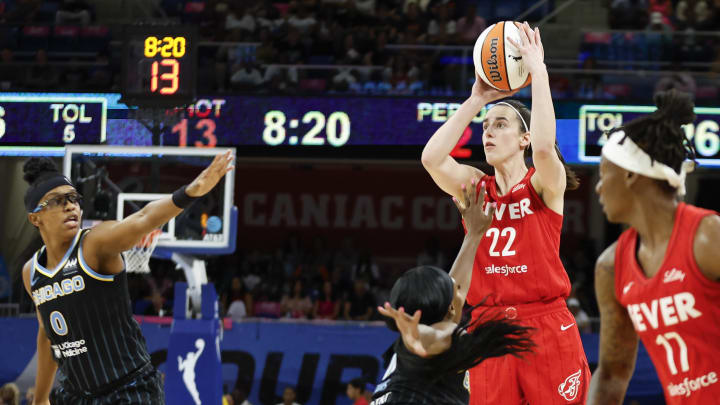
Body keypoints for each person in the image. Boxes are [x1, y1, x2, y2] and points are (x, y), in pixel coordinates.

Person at [420, 22, 590, 404]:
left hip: (544, 321)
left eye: (501, 125)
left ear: (524, 138)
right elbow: (431, 158)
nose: (488, 133)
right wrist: (477, 100)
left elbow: (546, 149)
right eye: (485, 127)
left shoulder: (543, 184)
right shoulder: (474, 186)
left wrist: (539, 71)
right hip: (489, 327)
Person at [20, 152, 233, 405]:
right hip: (77, 396)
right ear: (35, 218)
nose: (70, 206)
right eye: (57, 201)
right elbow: (47, 333)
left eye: (73, 198)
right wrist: (41, 398)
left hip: (129, 389)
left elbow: (142, 219)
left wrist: (189, 192)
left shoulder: (94, 243)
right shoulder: (31, 272)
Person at [588, 89, 720, 404]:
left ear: (631, 174)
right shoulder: (611, 267)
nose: (598, 186)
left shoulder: (708, 237)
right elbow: (611, 374)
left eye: (605, 172)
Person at [372, 182, 533, 405]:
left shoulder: (414, 342)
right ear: (448, 307)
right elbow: (436, 338)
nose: (458, 290)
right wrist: (419, 339)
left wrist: (474, 235)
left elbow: (456, 284)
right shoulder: (441, 338)